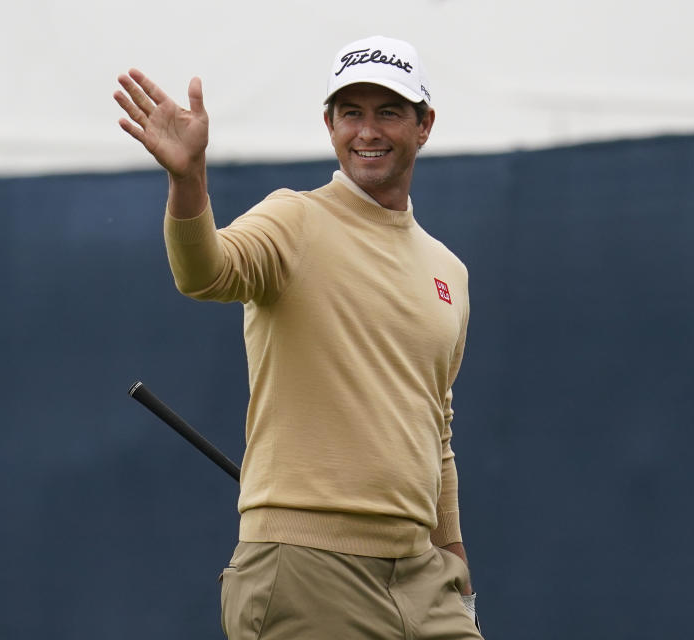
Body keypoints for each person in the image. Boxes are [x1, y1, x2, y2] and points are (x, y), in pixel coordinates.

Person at [114, 35, 482, 639]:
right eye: (350, 113)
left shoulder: (449, 273)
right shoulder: (295, 219)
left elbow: (435, 427)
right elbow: (205, 272)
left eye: (388, 112)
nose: (368, 131)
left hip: (423, 576)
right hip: (305, 569)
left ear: (424, 126)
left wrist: (455, 555)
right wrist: (189, 180)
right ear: (329, 125)